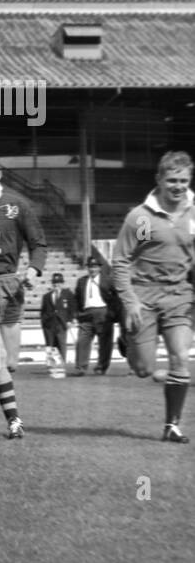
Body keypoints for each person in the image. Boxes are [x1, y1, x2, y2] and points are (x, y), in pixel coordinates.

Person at [112, 151, 195, 443]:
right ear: (159, 179)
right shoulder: (141, 217)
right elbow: (121, 261)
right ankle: (128, 340)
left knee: (180, 356)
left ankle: (171, 426)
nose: (178, 186)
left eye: (184, 180)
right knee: (144, 369)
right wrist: (130, 301)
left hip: (179, 295)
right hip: (143, 297)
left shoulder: (194, 212)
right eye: (172, 180)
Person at [0, 150, 47, 438]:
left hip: (11, 286)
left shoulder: (17, 204)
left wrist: (33, 271)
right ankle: (14, 421)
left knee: (11, 362)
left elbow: (39, 244)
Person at [73, 257, 116, 375]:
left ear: (99, 268)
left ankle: (101, 367)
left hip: (103, 312)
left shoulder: (107, 280)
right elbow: (76, 298)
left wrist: (112, 313)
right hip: (86, 313)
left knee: (105, 342)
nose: (92, 269)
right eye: (90, 267)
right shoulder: (81, 281)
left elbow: (115, 297)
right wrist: (77, 313)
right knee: (82, 340)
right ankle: (81, 367)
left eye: (95, 267)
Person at [40, 273, 75, 366]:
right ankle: (52, 365)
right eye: (55, 283)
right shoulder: (46, 296)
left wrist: (70, 320)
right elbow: (43, 311)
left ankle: (61, 365)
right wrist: (44, 323)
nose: (57, 285)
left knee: (61, 344)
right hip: (49, 324)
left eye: (59, 282)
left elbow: (72, 309)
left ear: (62, 283)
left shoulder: (68, 294)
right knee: (50, 345)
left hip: (61, 324)